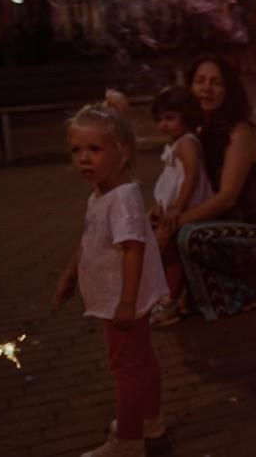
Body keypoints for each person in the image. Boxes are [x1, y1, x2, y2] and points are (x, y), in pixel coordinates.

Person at [53, 92, 170, 457]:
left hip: (123, 299)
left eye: (95, 149)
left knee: (126, 369)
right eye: (77, 151)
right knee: (141, 360)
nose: (84, 159)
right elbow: (90, 238)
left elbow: (133, 249)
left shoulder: (121, 200)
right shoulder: (103, 192)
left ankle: (128, 442)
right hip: (123, 296)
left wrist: (127, 303)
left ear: (121, 151)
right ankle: (150, 422)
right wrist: (70, 274)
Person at [173, 56, 256, 321]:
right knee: (171, 228)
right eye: (200, 81)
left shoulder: (240, 132)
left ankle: (241, 294)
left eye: (216, 83)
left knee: (188, 236)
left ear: (228, 92)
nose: (206, 89)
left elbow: (227, 198)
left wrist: (175, 224)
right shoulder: (195, 134)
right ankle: (190, 296)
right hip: (227, 227)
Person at [148, 85, 214, 327]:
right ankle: (170, 295)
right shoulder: (177, 143)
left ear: (185, 116)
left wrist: (177, 207)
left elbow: (191, 176)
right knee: (162, 248)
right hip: (176, 207)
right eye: (160, 119)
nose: (163, 124)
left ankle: (171, 300)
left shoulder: (186, 143)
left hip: (188, 208)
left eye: (170, 118)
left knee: (168, 250)